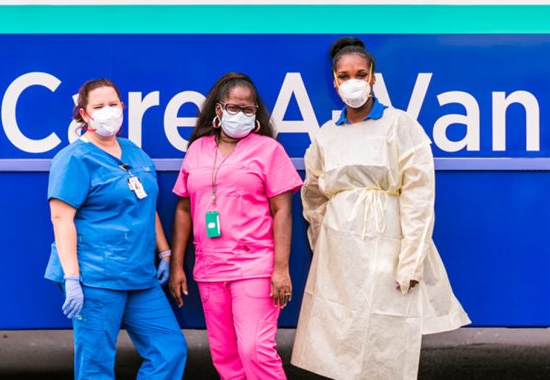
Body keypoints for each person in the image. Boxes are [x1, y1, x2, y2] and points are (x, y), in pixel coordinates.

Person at [291, 37, 471, 380]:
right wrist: (322, 241)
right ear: (334, 81)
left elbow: (419, 195)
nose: (352, 82)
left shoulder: (400, 125)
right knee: (338, 333)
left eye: (360, 73)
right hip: (339, 250)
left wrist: (411, 260)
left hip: (386, 243)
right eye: (344, 76)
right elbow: (312, 195)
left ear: (373, 77)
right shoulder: (327, 134)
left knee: (385, 336)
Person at [45, 78, 187, 380]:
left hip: (139, 276)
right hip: (95, 277)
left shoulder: (134, 152)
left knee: (170, 349)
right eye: (98, 106)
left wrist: (164, 251)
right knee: (96, 366)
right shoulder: (73, 159)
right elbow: (61, 220)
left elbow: (147, 204)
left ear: (123, 108)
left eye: (113, 104)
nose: (107, 111)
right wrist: (72, 278)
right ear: (84, 114)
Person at [168, 72, 302, 380]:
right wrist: (177, 265)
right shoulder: (198, 149)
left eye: (247, 109)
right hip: (210, 268)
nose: (240, 114)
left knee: (254, 350)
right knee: (225, 357)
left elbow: (283, 210)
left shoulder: (269, 150)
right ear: (218, 109)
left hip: (254, 265)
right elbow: (184, 208)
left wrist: (280, 269)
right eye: (233, 107)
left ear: (256, 113)